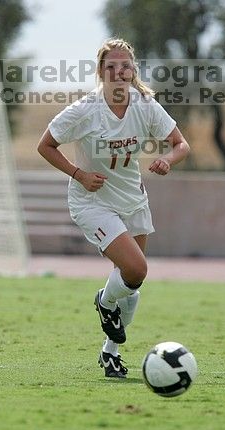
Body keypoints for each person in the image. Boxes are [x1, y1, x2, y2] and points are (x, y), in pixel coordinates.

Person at [37, 38, 190, 378]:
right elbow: (44, 145)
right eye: (111, 67)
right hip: (92, 201)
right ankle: (104, 302)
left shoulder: (145, 105)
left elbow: (181, 144)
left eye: (125, 66)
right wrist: (78, 174)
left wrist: (167, 159)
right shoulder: (85, 110)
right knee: (136, 269)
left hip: (133, 200)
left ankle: (111, 352)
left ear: (132, 71)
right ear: (101, 72)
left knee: (132, 286)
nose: (119, 72)